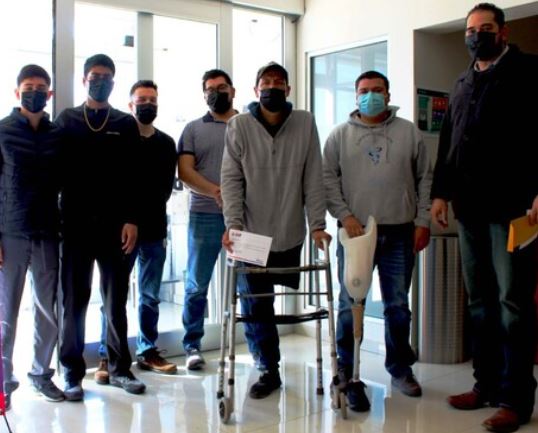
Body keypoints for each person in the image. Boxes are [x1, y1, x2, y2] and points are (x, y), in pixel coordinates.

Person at [430, 3, 538, 432]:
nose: (477, 35)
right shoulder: (462, 82)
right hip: (469, 209)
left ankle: (515, 399)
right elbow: (449, 142)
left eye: (486, 28)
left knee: (513, 304)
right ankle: (486, 385)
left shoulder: (529, 72)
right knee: (480, 303)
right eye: (471, 30)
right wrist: (440, 194)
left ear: (503, 32)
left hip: (514, 210)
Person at [220, 62, 331, 399]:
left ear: (288, 89)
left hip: (290, 230)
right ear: (256, 90)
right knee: (257, 306)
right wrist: (233, 225)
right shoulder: (239, 125)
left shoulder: (304, 122)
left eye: (278, 82)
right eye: (265, 82)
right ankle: (268, 369)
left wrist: (318, 225)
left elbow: (314, 176)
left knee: (271, 299)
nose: (272, 87)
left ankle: (270, 363)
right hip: (250, 234)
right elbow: (231, 179)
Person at [323, 70, 432, 409]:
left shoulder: (408, 133)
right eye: (364, 91)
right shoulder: (339, 136)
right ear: (356, 96)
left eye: (377, 90)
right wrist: (345, 216)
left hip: (399, 231)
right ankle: (346, 369)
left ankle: (400, 368)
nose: (370, 95)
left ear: (388, 95)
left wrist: (423, 221)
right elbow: (328, 180)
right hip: (355, 234)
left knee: (397, 305)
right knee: (349, 305)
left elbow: (425, 179)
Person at [56, 54, 145, 400]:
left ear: (114, 82)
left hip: (115, 227)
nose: (100, 81)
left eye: (106, 76)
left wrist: (132, 219)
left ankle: (120, 369)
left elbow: (134, 175)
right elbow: (53, 171)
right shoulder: (67, 120)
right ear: (84, 81)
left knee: (115, 300)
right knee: (74, 302)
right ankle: (72, 372)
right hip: (74, 226)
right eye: (94, 76)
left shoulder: (124, 123)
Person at [94, 80, 178, 384]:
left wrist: (140, 211)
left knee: (150, 296)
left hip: (154, 229)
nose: (147, 104)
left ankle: (147, 350)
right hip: (121, 232)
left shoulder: (166, 143)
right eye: (141, 100)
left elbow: (164, 189)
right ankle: (108, 354)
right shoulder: (118, 137)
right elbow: (113, 185)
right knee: (114, 296)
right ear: (130, 104)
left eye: (152, 99)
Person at [0, 65, 65, 410]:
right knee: (5, 312)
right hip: (10, 233)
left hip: (47, 232)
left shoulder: (57, 135)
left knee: (46, 310)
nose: (35, 92)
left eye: (41, 87)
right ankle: (3, 382)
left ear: (49, 94)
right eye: (28, 86)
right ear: (17, 92)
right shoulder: (3, 131)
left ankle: (41, 374)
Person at [178, 69, 237, 370]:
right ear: (204, 95)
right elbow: (185, 172)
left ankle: (252, 345)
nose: (216, 93)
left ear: (233, 91)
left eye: (221, 87)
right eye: (210, 89)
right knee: (197, 283)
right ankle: (192, 345)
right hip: (204, 215)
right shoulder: (193, 129)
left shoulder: (248, 125)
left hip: (244, 218)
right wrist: (217, 191)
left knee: (248, 284)